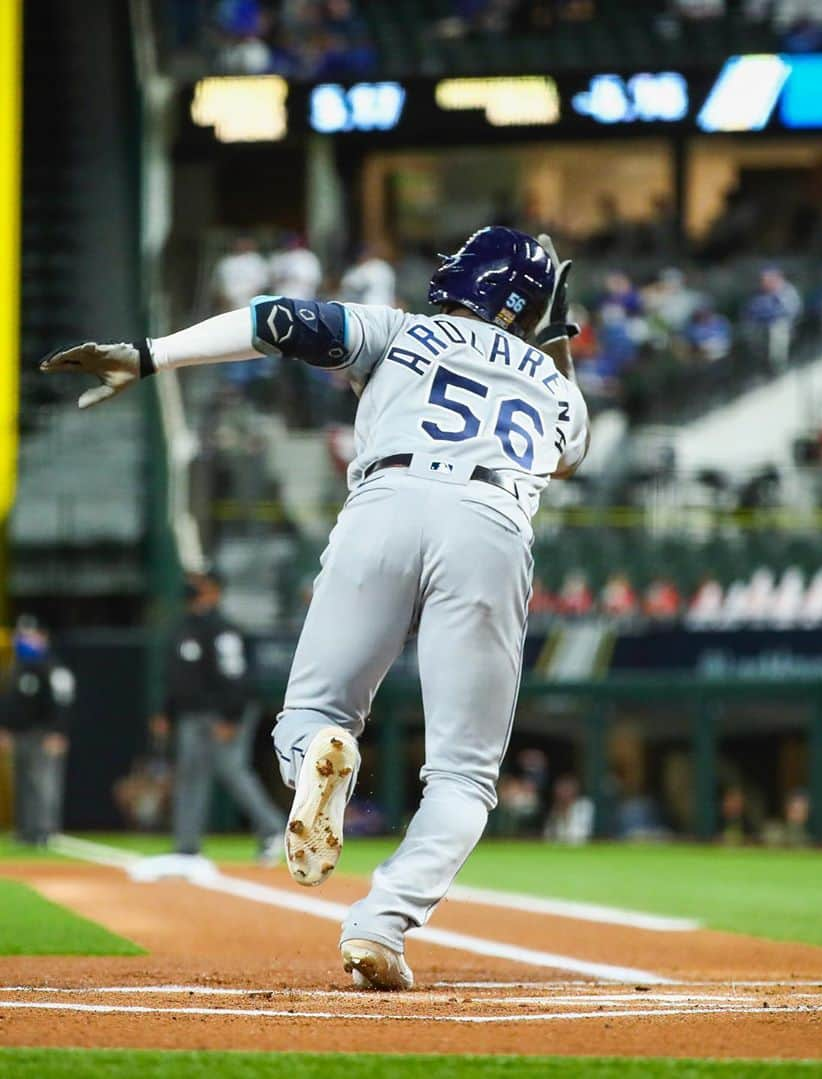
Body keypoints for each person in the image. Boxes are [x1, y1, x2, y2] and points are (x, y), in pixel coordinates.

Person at [42, 225, 589, 991]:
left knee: (309, 716)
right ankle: (382, 922)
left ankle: (321, 758)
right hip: (493, 527)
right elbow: (570, 452)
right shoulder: (557, 387)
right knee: (463, 775)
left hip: (385, 503)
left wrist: (150, 354)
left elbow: (277, 319)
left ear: (469, 278)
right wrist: (551, 337)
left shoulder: (403, 330)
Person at [150, 571, 285, 864]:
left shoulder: (222, 629)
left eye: (202, 585)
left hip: (223, 713)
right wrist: (165, 712)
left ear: (214, 592)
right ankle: (186, 846)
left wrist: (231, 717)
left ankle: (273, 830)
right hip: (190, 714)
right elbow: (174, 677)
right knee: (189, 775)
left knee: (233, 771)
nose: (194, 589)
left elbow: (235, 676)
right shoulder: (181, 628)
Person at [0, 617, 75, 845]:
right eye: (21, 635)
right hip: (19, 734)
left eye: (29, 635)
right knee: (21, 783)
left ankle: (45, 831)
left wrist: (59, 731)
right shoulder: (16, 669)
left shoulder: (54, 667)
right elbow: (9, 703)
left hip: (44, 733)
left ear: (43, 637)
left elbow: (63, 700)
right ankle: (25, 831)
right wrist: (5, 729)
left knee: (43, 783)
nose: (24, 640)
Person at [212, 235, 269, 312]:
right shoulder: (226, 261)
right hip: (229, 302)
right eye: (238, 243)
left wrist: (255, 299)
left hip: (249, 300)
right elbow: (218, 283)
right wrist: (222, 299)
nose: (241, 246)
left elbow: (262, 282)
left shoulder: (256, 260)